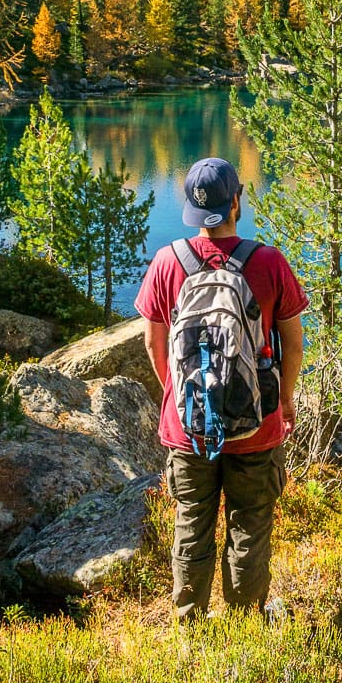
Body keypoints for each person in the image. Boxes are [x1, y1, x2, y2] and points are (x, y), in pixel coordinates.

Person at [136, 156, 307, 621]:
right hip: (257, 423)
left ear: (192, 210)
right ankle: (245, 621)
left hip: (187, 425)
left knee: (192, 522)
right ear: (237, 202)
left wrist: (178, 393)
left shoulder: (168, 262)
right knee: (250, 523)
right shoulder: (268, 262)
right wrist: (286, 399)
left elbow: (154, 341)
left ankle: (189, 620)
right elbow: (292, 344)